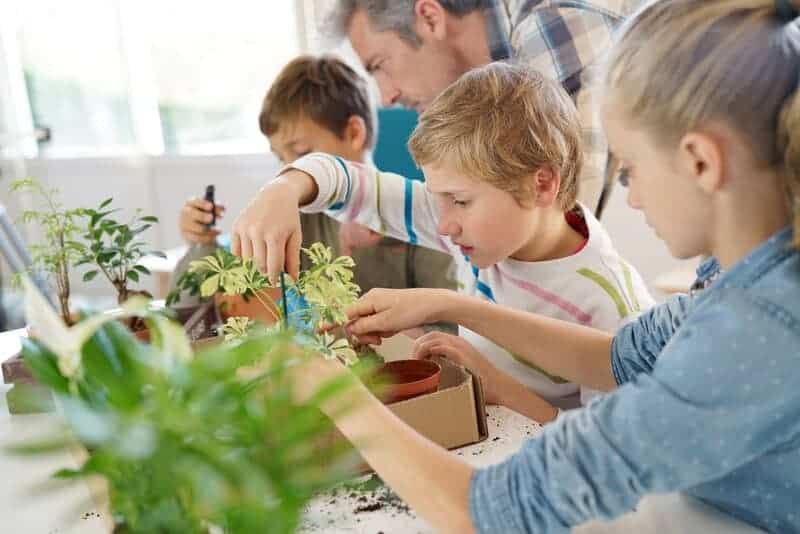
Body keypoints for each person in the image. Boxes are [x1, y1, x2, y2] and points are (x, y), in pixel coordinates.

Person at [283, 1, 800, 532]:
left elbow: (490, 510)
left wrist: (339, 395)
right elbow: (620, 356)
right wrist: (449, 305)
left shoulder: (756, 330)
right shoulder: (735, 281)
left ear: (700, 161)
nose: (632, 197)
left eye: (631, 170)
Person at [231, 62, 654, 422]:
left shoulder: (609, 304)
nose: (444, 225)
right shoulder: (477, 229)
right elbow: (347, 183)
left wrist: (497, 386)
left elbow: (607, 451)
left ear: (541, 185)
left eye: (460, 200)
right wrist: (283, 189)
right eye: (438, 198)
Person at [170, 55, 454, 299]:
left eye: (302, 153)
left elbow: (451, 325)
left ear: (354, 133)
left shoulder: (415, 218)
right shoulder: (292, 219)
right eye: (280, 158)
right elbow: (208, 307)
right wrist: (201, 244)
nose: (288, 170)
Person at [322, 0, 642, 215]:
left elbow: (555, 231)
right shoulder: (506, 74)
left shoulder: (551, 25)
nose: (386, 96)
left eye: (379, 65)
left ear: (430, 18)